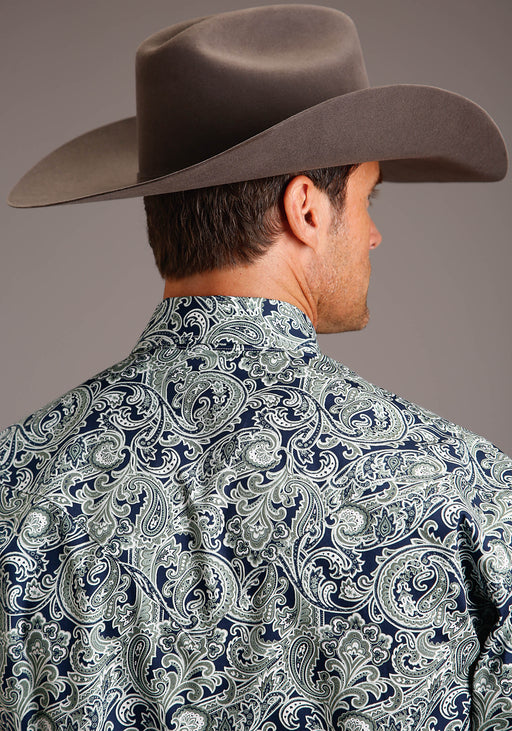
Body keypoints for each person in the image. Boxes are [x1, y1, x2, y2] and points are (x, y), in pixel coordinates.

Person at [1, 5, 511, 730]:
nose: (373, 234)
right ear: (306, 207)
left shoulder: (19, 483)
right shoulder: (463, 491)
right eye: (368, 196)